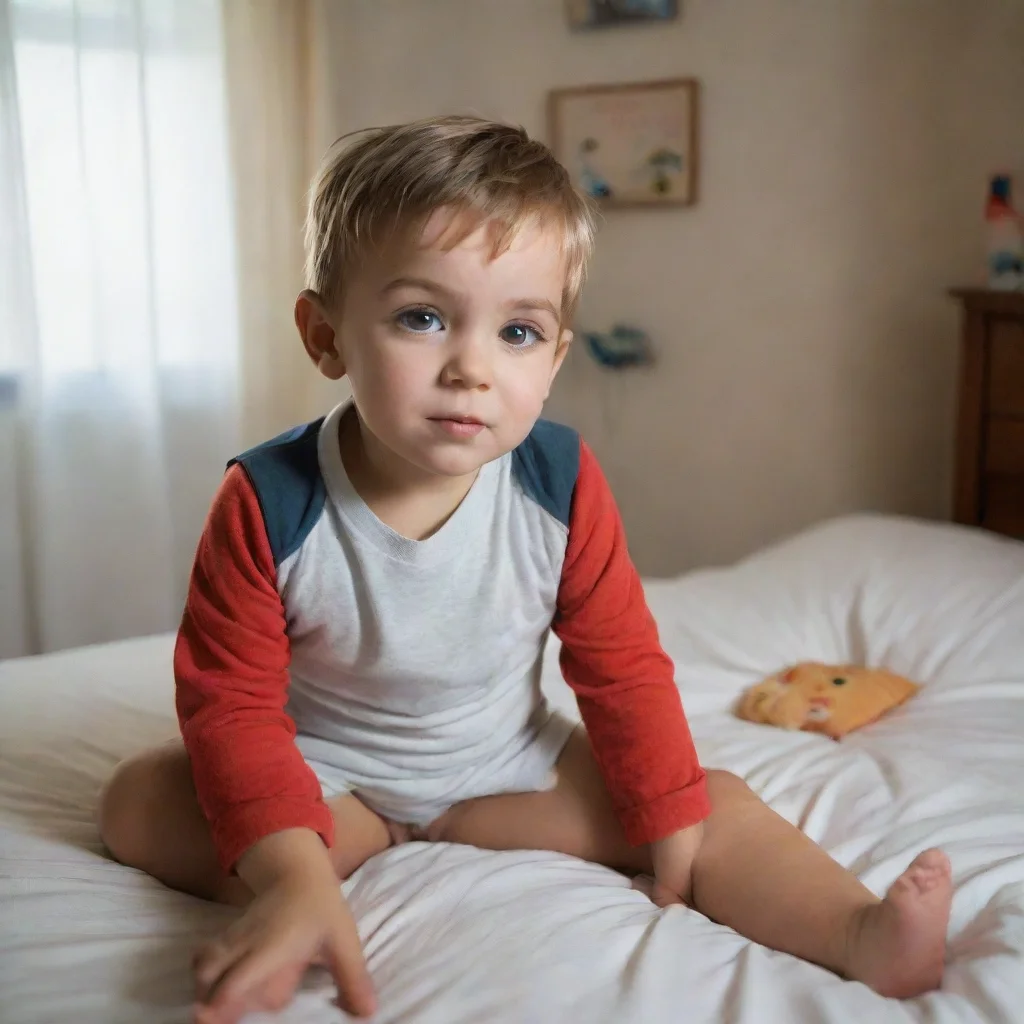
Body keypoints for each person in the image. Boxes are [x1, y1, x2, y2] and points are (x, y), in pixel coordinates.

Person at [97, 116, 952, 1024]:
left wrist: (665, 822)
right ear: (326, 335)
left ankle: (863, 935)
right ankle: (318, 868)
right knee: (137, 802)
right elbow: (229, 704)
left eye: (517, 331)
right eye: (422, 318)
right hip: (328, 777)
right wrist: (290, 871)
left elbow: (619, 664)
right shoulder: (267, 501)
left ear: (555, 358)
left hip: (503, 771)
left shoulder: (560, 483)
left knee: (709, 802)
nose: (471, 367)